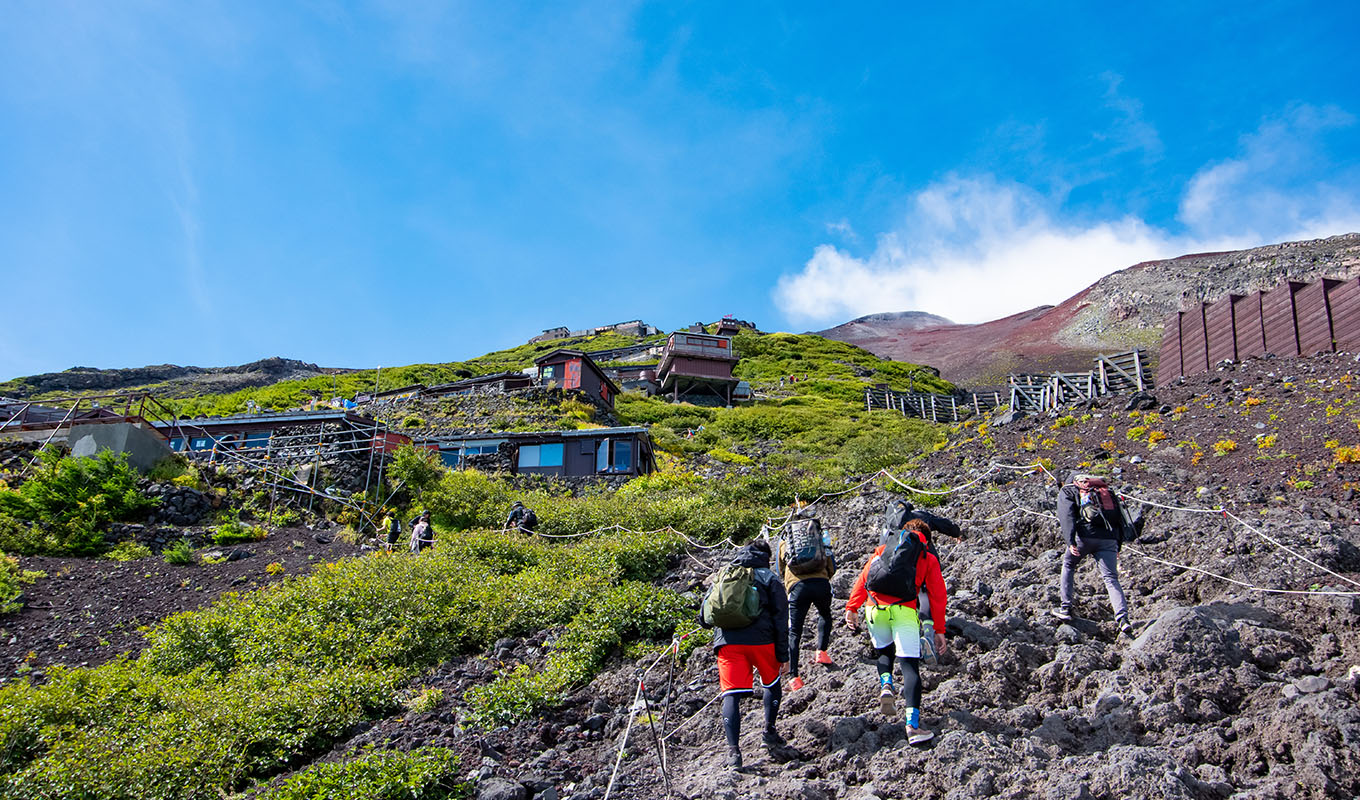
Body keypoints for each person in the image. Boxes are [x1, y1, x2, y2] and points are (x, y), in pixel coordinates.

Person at [845, 518, 948, 745]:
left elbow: (864, 578)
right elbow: (937, 596)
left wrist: (852, 607)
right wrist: (939, 629)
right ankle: (912, 726)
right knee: (910, 666)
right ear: (927, 541)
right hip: (904, 610)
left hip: (874, 608)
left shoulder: (883, 549)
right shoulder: (927, 557)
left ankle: (886, 684)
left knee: (884, 652)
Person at [698, 539, 789, 771]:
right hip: (763, 641)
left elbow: (703, 617)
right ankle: (768, 732)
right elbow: (780, 618)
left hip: (728, 643)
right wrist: (783, 654)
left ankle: (734, 753)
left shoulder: (725, 574)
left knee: (731, 696)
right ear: (766, 557)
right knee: (772, 683)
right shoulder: (769, 577)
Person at [1051, 474, 1142, 636]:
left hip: (1084, 537)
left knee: (1069, 565)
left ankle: (1065, 608)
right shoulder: (1104, 491)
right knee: (1111, 578)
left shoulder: (1069, 490)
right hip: (1109, 538)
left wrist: (1070, 541)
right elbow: (1120, 517)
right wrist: (1117, 545)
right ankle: (1123, 619)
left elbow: (1067, 516)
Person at [775, 517, 836, 691]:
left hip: (797, 587)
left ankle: (794, 677)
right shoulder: (818, 536)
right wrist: (825, 576)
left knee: (794, 631)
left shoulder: (786, 539)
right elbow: (831, 562)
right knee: (825, 614)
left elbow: (780, 568)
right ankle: (821, 652)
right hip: (821, 583)